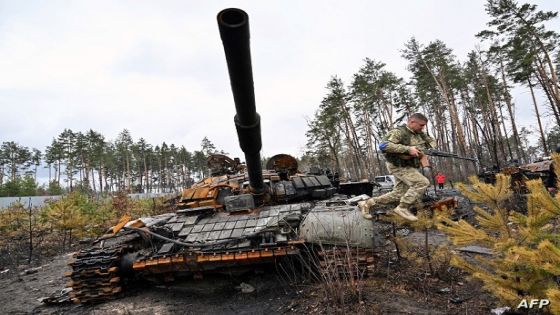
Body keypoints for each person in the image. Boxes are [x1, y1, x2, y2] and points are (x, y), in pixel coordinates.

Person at [358, 113, 436, 222]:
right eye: (421, 125)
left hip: (408, 165)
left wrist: (424, 149)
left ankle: (367, 204)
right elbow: (383, 145)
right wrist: (408, 149)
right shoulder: (399, 132)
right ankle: (402, 208)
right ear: (412, 122)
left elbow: (431, 142)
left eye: (424, 126)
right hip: (398, 165)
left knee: (398, 194)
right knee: (422, 183)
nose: (423, 128)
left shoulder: (420, 134)